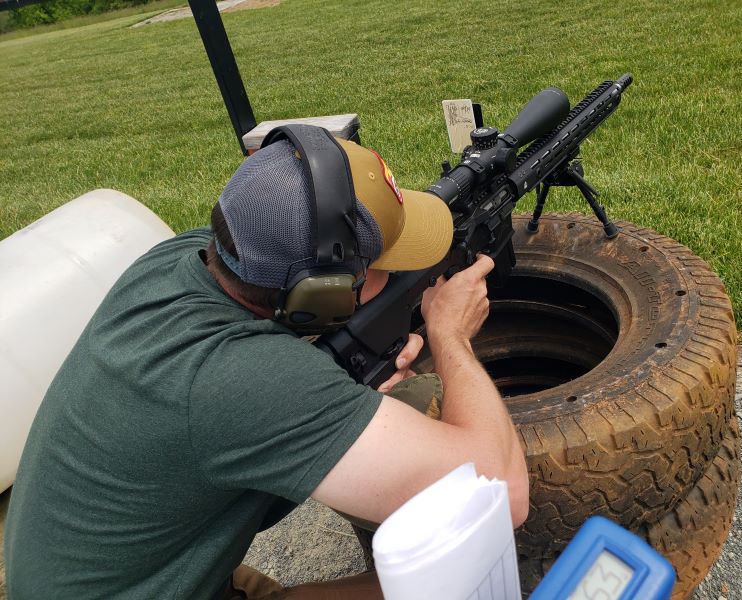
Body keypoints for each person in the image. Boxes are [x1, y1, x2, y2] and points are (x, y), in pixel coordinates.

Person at [4, 129, 529, 599]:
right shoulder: (239, 378)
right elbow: (503, 496)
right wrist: (450, 334)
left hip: (110, 576)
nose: (399, 275)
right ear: (322, 294)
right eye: (385, 266)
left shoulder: (183, 259)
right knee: (449, 588)